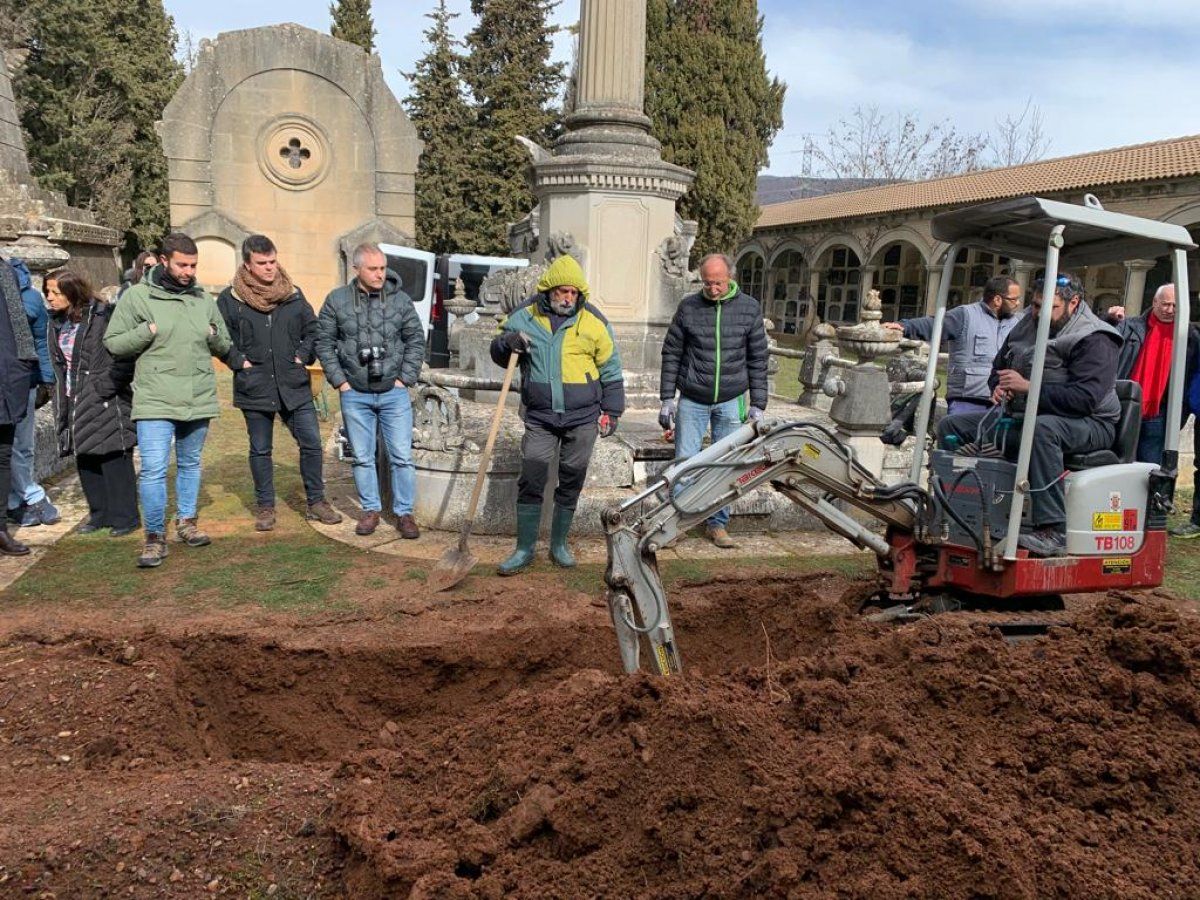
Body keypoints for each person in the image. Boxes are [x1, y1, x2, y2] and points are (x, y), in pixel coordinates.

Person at [937, 274, 1122, 557]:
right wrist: (997, 387)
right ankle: (957, 509)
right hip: (1027, 417)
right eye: (1035, 305)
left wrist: (1029, 388)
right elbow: (999, 366)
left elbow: (1084, 400)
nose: (1039, 313)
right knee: (952, 425)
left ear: (1074, 302)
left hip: (1090, 423)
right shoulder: (1027, 323)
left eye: (1049, 307)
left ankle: (1053, 530)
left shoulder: (1096, 338)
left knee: (1041, 429)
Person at [490, 254, 625, 574]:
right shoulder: (524, 316)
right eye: (562, 292)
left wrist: (613, 409)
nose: (567, 298)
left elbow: (611, 368)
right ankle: (524, 549)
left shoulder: (594, 322)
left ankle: (559, 545)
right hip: (540, 417)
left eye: (573, 293)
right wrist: (508, 341)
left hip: (582, 419)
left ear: (580, 294)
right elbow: (497, 350)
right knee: (532, 479)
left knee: (571, 479)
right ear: (549, 290)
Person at [104, 233, 233, 568]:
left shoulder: (203, 299)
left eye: (193, 265)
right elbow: (114, 343)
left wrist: (214, 337)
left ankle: (187, 523)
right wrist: (145, 333)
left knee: (190, 464)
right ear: (164, 261)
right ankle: (154, 537)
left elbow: (223, 343)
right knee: (153, 470)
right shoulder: (137, 297)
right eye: (182, 264)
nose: (189, 271)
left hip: (197, 396)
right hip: (155, 399)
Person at [217, 235, 342, 532]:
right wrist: (239, 362)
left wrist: (301, 356)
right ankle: (265, 507)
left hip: (293, 385)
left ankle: (316, 501)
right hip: (255, 385)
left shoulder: (293, 295)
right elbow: (219, 338)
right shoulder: (230, 299)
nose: (270, 268)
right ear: (247, 264)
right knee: (261, 449)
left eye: (273, 261)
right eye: (262, 263)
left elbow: (313, 330)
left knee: (311, 443)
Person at [658, 253, 768, 548]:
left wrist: (759, 403)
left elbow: (758, 358)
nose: (713, 288)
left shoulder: (749, 309)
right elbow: (672, 353)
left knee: (726, 463)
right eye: (707, 283)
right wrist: (667, 398)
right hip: (693, 398)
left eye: (718, 283)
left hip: (732, 399)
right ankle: (677, 524)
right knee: (685, 462)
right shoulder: (689, 307)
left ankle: (717, 524)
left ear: (730, 278)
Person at [316, 243, 424, 538]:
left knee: (401, 455)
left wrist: (405, 378)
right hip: (355, 392)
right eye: (373, 269)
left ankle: (404, 513)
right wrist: (341, 381)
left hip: (394, 391)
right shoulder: (337, 301)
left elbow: (416, 339)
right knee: (363, 456)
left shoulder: (401, 301)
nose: (380, 274)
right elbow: (323, 342)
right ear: (357, 269)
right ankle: (370, 510)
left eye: (383, 268)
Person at [45, 270, 139, 536]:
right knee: (85, 456)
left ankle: (125, 517)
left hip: (104, 396)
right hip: (72, 397)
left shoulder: (103, 315)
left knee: (112, 455)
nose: (50, 298)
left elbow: (125, 354)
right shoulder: (55, 322)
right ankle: (100, 514)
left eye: (55, 292)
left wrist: (106, 386)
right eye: (47, 292)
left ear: (72, 292)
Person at [884, 275, 1024, 416]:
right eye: (1014, 299)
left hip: (1002, 403)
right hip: (966, 400)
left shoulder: (1018, 322)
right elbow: (935, 324)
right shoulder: (966, 315)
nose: (1018, 303)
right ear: (997, 300)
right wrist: (904, 326)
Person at [1107, 285, 1199, 465]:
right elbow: (1104, 340)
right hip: (1124, 407)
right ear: (1154, 302)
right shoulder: (1129, 326)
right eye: (1165, 304)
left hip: (1160, 414)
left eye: (1175, 306)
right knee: (1116, 463)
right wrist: (1109, 320)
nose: (1170, 310)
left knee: (1151, 467)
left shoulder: (1190, 338)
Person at [5, 258, 60, 527]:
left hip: (22, 379)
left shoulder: (30, 298)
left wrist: (48, 380)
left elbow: (41, 340)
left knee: (22, 445)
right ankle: (27, 496)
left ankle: (21, 498)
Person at [0, 261, 38, 555]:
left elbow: (18, 327)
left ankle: (0, 528)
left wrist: (23, 367)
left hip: (8, 375)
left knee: (3, 456)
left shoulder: (6, 270)